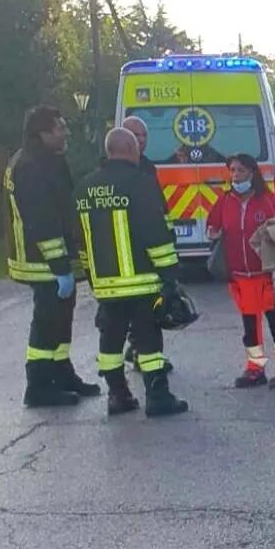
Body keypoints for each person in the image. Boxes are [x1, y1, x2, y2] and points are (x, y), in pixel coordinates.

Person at [75, 128, 189, 417]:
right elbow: (156, 232)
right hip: (141, 282)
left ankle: (117, 395)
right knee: (148, 340)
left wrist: (91, 277)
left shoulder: (85, 188)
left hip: (105, 285)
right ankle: (158, 396)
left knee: (110, 340)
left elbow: (78, 239)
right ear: (129, 148)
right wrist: (170, 274)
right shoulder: (141, 183)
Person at [2, 105, 100, 407]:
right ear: (44, 133)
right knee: (46, 321)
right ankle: (39, 386)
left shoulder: (45, 160)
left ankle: (61, 373)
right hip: (40, 261)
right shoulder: (32, 166)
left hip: (48, 259)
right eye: (60, 127)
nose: (66, 132)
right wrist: (59, 265)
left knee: (60, 317)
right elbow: (42, 220)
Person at [206, 154, 275, 388]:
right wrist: (213, 232)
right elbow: (213, 224)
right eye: (232, 171)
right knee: (250, 326)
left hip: (266, 274)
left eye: (240, 170)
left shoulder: (267, 201)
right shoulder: (225, 200)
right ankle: (254, 368)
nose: (235, 175)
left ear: (252, 173)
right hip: (240, 276)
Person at [118, 115, 175, 375]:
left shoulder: (148, 167)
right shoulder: (117, 170)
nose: (141, 141)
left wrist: (168, 237)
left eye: (144, 136)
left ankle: (137, 348)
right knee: (139, 308)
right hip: (126, 248)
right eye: (135, 136)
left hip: (148, 246)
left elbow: (158, 206)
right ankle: (143, 354)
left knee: (147, 305)